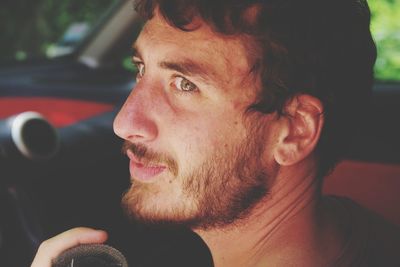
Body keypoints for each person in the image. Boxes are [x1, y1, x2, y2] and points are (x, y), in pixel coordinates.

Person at [32, 0, 400, 266]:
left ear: (294, 132)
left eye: (185, 84)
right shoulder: (357, 236)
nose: (125, 123)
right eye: (141, 69)